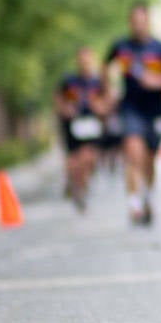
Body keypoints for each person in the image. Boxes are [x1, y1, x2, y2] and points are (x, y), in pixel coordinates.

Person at [104, 1, 161, 226]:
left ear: (148, 22)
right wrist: (109, 89)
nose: (138, 26)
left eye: (142, 21)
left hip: (156, 111)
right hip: (130, 108)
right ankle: (134, 203)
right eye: (134, 21)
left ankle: (148, 196)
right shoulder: (121, 47)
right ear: (130, 23)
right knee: (133, 152)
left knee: (149, 159)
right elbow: (105, 68)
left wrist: (158, 81)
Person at [54, 46, 108, 212]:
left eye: (88, 60)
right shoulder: (69, 80)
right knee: (73, 160)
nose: (85, 63)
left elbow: (107, 100)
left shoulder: (97, 82)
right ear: (77, 61)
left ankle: (81, 187)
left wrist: (101, 108)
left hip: (91, 124)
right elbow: (58, 99)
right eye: (81, 60)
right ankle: (74, 183)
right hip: (72, 124)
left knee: (87, 157)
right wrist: (64, 109)